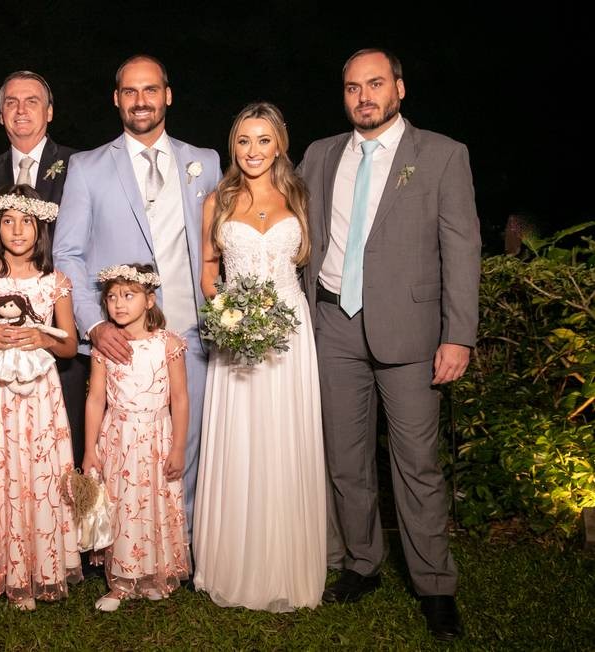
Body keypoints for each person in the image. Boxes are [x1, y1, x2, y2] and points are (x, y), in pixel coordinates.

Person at [299, 49, 480, 641]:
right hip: (333, 324)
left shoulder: (443, 155)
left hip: (411, 333)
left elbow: (462, 249)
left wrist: (458, 334)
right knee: (345, 459)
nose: (364, 97)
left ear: (399, 89)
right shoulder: (321, 155)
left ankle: (435, 585)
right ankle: (361, 563)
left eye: (375, 84)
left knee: (417, 464)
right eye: (353, 87)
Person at [53, 55, 220, 536]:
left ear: (167, 95)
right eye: (130, 91)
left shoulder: (205, 162)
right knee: (123, 450)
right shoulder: (87, 167)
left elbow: (220, 244)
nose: (140, 100)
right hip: (122, 340)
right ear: (117, 99)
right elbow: (67, 252)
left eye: (150, 90)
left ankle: (183, 545)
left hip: (191, 332)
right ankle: (124, 548)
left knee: (188, 443)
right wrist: (94, 323)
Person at [192, 103, 326, 611]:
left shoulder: (300, 196)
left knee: (285, 434)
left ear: (279, 146)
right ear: (234, 146)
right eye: (244, 140)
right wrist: (232, 313)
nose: (253, 151)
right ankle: (235, 562)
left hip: (291, 334)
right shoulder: (218, 200)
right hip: (239, 335)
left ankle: (288, 563)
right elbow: (209, 274)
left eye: (263, 140)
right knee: (243, 436)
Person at [0, 185, 81, 611]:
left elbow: (70, 346)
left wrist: (44, 338)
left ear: (39, 227)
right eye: (8, 221)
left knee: (38, 472)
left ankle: (41, 565)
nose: (17, 230)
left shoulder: (55, 282)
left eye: (26, 221)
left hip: (40, 395)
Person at [0, 71, 87, 461]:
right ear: (1, 115)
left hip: (61, 322)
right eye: (11, 103)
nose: (21, 110)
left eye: (32, 101)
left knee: (61, 441)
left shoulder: (79, 165)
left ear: (49, 112)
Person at [81, 263, 191, 612]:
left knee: (155, 504)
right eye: (112, 297)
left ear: (150, 300)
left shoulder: (168, 344)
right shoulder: (105, 348)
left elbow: (180, 399)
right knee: (122, 506)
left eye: (128, 295)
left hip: (157, 438)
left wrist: (178, 448)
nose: (119, 303)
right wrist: (90, 449)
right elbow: (95, 399)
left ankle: (152, 576)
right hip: (118, 439)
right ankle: (122, 582)